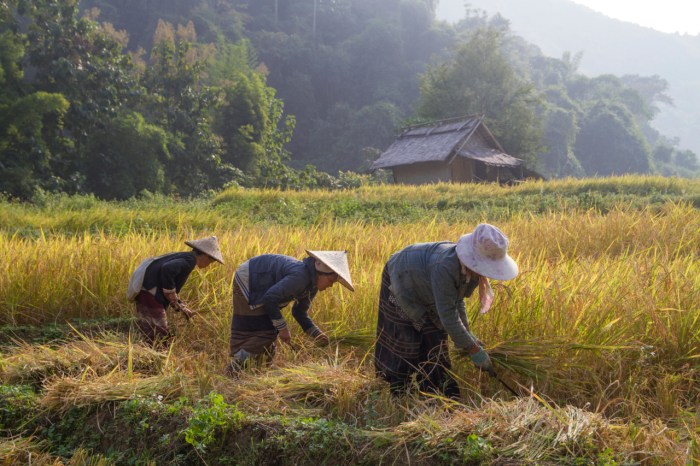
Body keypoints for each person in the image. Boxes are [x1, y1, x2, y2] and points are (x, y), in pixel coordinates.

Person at [374, 223, 518, 399]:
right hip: (402, 281)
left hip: (428, 290)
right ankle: (400, 393)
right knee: (407, 342)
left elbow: (457, 302)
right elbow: (448, 315)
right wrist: (472, 348)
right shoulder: (445, 266)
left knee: (435, 345)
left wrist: (468, 335)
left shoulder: (472, 273)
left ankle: (433, 394)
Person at [227, 250, 354, 373]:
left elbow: (299, 312)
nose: (330, 286)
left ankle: (258, 372)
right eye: (331, 281)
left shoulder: (312, 286)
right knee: (264, 333)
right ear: (321, 273)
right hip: (250, 279)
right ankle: (235, 369)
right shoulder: (300, 276)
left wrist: (316, 334)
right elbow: (270, 298)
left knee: (269, 332)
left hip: (260, 283)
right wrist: (283, 328)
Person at [134, 236, 224, 345]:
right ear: (206, 256)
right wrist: (172, 295)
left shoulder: (186, 257)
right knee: (159, 333)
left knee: (150, 329)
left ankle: (146, 352)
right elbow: (167, 269)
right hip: (150, 292)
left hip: (147, 291)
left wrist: (181, 306)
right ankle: (156, 356)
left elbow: (169, 285)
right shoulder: (190, 261)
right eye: (210, 262)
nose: (208, 265)